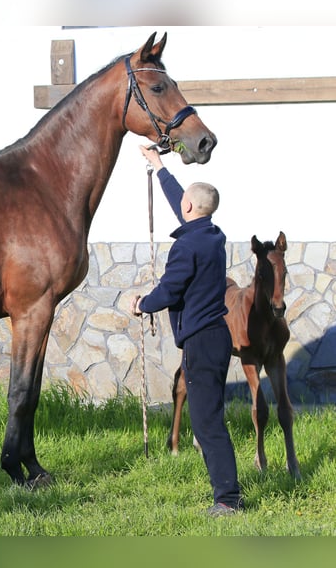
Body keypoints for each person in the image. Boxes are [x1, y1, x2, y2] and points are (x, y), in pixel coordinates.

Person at [131, 144, 243, 517]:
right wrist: (158, 166)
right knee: (209, 418)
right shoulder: (211, 234)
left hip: (201, 342)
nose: (183, 205)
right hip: (217, 337)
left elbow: (169, 290)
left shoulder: (186, 248)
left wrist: (142, 304)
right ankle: (227, 494)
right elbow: (184, 201)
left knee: (207, 422)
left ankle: (228, 499)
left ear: (191, 209)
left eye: (186, 203)